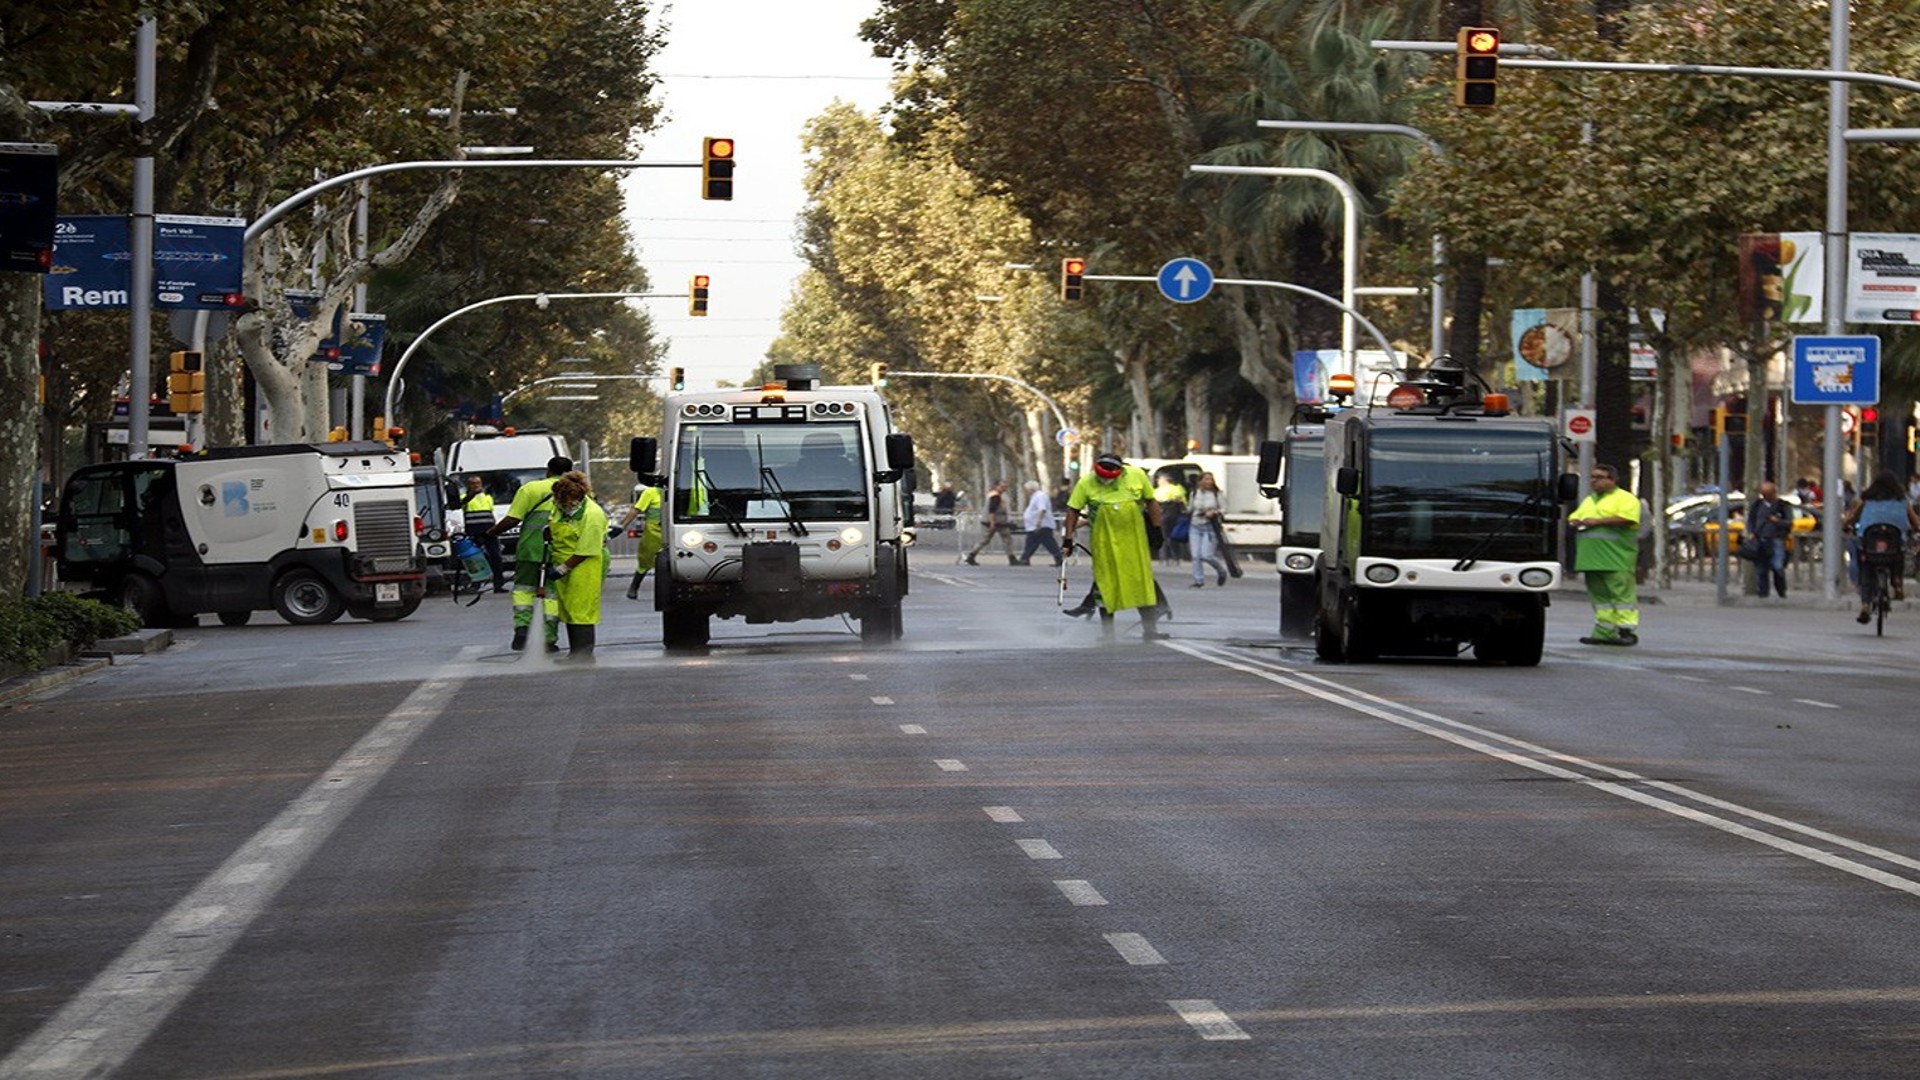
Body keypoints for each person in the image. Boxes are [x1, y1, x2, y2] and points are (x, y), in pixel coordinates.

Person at [1062, 453, 1166, 641]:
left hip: (1134, 540)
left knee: (1140, 582)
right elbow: (1073, 511)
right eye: (1101, 477)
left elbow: (1151, 502)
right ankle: (1108, 633)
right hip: (1104, 543)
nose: (1104, 480)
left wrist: (1157, 529)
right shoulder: (1086, 483)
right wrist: (1068, 539)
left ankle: (1150, 630)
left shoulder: (1137, 475)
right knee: (1105, 584)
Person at [487, 455, 571, 651]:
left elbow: (512, 520)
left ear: (548, 470)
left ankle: (522, 630)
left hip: (530, 548)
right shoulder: (574, 491)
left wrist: (490, 533)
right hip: (560, 551)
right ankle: (548, 639)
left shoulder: (530, 489)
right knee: (552, 595)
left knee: (524, 590)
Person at [1568, 464, 1642, 646]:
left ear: (1613, 480)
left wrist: (1598, 521)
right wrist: (1576, 521)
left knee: (1621, 596)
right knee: (1600, 598)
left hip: (1616, 558)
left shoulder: (1625, 499)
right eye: (1592, 477)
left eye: (1599, 477)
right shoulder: (1590, 500)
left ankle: (1626, 631)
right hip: (1591, 559)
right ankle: (1603, 632)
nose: (1594, 480)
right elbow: (1574, 517)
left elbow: (1626, 518)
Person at [545, 471, 608, 663]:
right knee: (569, 609)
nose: (562, 504)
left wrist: (564, 568)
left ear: (578, 497)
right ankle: (575, 652)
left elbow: (586, 549)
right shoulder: (561, 508)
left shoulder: (593, 515)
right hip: (564, 563)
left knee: (582, 608)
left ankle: (583, 654)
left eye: (566, 501)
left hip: (584, 566)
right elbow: (555, 524)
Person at [1841, 469, 1920, 622]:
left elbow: (1851, 519)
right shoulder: (1903, 500)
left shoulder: (1867, 500)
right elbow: (1915, 522)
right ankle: (1897, 583)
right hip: (1894, 543)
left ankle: (1865, 605)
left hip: (1869, 543)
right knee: (1899, 557)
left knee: (1866, 570)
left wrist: (1847, 526)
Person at [456, 474, 508, 591]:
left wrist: (496, 529)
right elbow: (463, 502)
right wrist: (472, 494)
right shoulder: (465, 497)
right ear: (468, 486)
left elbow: (491, 514)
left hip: (489, 531)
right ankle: (476, 584)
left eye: (478, 483)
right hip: (474, 531)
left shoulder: (488, 498)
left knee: (496, 557)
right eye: (473, 484)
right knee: (475, 558)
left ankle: (498, 585)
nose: (476, 486)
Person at [613, 481, 663, 600]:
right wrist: (622, 526)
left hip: (673, 531)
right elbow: (636, 510)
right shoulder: (651, 492)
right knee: (645, 561)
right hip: (654, 533)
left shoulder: (678, 489)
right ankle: (634, 587)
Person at [1747, 480, 1792, 599]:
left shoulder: (1783, 505)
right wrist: (1751, 532)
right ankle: (1763, 593)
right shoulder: (1757, 505)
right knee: (1761, 568)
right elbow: (1751, 520)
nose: (1767, 497)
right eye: (1764, 494)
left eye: (1769, 494)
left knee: (1777, 566)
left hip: (1777, 539)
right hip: (1760, 539)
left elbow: (1789, 523)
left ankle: (1781, 591)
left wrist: (1778, 522)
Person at [1186, 471, 1231, 588]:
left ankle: (1221, 571)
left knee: (1206, 555)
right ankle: (1199, 580)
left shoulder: (1217, 494)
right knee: (1195, 555)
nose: (1209, 481)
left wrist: (1215, 512)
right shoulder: (1195, 493)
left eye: (1210, 479)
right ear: (1200, 481)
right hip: (1195, 525)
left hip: (1210, 526)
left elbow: (1224, 509)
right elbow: (1190, 508)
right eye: (1206, 479)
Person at [965, 480, 1016, 565]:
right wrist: (992, 522)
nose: (1004, 489)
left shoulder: (995, 495)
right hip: (993, 522)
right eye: (1002, 487)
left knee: (1005, 539)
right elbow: (991, 510)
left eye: (1006, 487)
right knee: (987, 540)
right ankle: (971, 556)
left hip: (999, 522)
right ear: (997, 486)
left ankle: (1012, 558)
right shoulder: (995, 496)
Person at [1015, 480, 1063, 566]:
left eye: (1027, 489)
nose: (1026, 491)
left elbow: (1042, 509)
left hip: (1041, 525)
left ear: (1031, 488)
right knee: (1032, 542)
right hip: (1034, 525)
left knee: (1048, 543)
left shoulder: (1040, 496)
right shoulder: (1035, 496)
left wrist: (1038, 521)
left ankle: (1059, 558)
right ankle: (1025, 558)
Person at [1153, 469, 1189, 564]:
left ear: (1164, 480)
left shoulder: (1158, 491)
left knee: (1163, 536)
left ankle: (1163, 558)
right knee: (1174, 536)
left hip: (1163, 513)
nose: (1158, 481)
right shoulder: (1178, 488)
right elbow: (1183, 502)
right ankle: (1176, 557)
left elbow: (1153, 503)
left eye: (1159, 480)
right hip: (1175, 514)